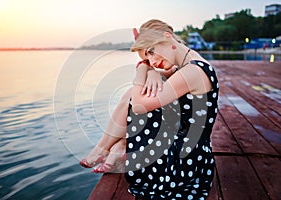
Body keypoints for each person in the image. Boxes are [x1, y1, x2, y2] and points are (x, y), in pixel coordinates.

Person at [81, 19, 219, 199]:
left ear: (167, 37)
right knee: (137, 94)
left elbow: (138, 106)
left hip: (185, 161)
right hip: (187, 147)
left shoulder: (193, 72)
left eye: (152, 52)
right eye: (148, 57)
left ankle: (110, 147)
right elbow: (160, 74)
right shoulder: (188, 62)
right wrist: (150, 69)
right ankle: (113, 146)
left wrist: (142, 72)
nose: (153, 61)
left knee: (134, 95)